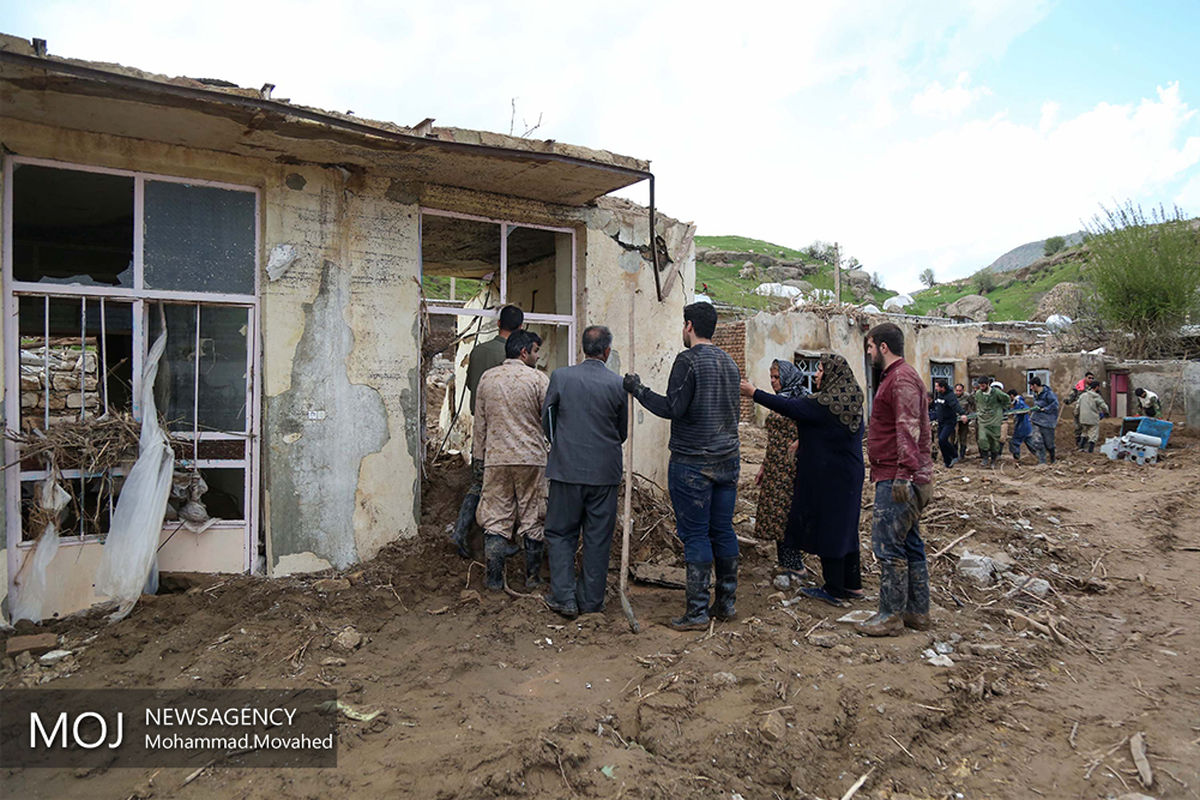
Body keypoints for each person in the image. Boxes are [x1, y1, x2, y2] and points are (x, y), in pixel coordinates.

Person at [624, 302, 741, 630]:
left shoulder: (687, 361)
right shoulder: (730, 363)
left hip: (693, 464)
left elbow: (673, 407)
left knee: (696, 535)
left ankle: (697, 612)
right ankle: (726, 603)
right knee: (723, 529)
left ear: (689, 325)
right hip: (727, 461)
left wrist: (638, 390)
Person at [741, 353, 865, 606]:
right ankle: (853, 586)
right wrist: (804, 440)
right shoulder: (850, 398)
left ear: (832, 375)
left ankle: (834, 589)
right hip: (850, 472)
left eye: (820, 370)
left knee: (831, 529)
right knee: (847, 528)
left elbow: (790, 408)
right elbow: (830, 431)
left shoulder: (824, 402)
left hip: (831, 475)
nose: (816, 375)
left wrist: (754, 393)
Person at [540, 326, 628, 619]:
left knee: (560, 533)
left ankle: (564, 597)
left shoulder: (561, 377)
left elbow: (547, 419)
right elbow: (622, 432)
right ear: (607, 351)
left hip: (566, 470)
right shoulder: (618, 384)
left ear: (583, 349)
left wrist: (561, 446)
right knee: (598, 538)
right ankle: (591, 601)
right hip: (604, 474)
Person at [857, 323, 935, 636]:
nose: (868, 353)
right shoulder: (897, 377)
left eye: (870, 347)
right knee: (910, 543)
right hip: (905, 474)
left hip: (899, 477)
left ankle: (890, 616)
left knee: (888, 546)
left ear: (883, 347)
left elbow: (908, 427)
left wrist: (904, 474)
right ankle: (917, 612)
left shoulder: (900, 379)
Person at [474, 330, 549, 590]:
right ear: (524, 352)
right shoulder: (538, 379)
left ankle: (494, 580)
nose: (537, 357)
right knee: (533, 515)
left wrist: (478, 458)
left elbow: (480, 423)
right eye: (535, 351)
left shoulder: (487, 378)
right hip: (531, 459)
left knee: (495, 517)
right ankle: (532, 578)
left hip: (496, 458)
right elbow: (549, 420)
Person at [451, 305, 525, 558]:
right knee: (507, 487)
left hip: (483, 430)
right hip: (507, 432)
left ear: (498, 324)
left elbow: (472, 387)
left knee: (479, 483)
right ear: (521, 328)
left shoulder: (479, 351)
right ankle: (499, 541)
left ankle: (460, 531)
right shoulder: (515, 358)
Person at [754, 360, 806, 585]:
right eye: (772, 377)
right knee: (775, 515)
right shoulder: (779, 401)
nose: (773, 382)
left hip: (792, 468)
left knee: (787, 515)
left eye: (777, 377)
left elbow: (814, 430)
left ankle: (796, 566)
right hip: (775, 466)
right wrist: (764, 466)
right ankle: (784, 562)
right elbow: (773, 438)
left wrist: (801, 442)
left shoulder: (801, 401)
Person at [973, 376, 1011, 468]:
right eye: (980, 386)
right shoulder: (978, 393)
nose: (981, 387)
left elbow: (1007, 399)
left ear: (987, 384)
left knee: (994, 441)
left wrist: (1002, 408)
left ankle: (993, 460)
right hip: (983, 421)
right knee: (982, 439)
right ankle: (985, 458)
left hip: (995, 421)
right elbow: (978, 403)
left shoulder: (996, 392)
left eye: (983, 386)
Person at [1028, 376, 1060, 465]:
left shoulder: (1048, 394)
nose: (1030, 388)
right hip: (1036, 420)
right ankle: (1042, 462)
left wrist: (1045, 409)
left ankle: (1053, 459)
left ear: (1035, 385)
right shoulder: (1035, 394)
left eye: (1031, 386)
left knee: (1049, 444)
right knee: (1037, 441)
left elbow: (1055, 405)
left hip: (1047, 422)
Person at [932, 380, 963, 468]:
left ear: (943, 387)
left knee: (943, 439)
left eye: (937, 386)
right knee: (941, 442)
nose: (936, 388)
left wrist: (962, 414)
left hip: (949, 421)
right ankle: (947, 462)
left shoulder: (950, 396)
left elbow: (956, 405)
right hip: (941, 421)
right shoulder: (938, 394)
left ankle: (954, 454)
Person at [1077, 379, 1108, 453]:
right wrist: (1106, 412)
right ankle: (1090, 451)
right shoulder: (1096, 396)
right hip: (1093, 418)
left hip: (1083, 418)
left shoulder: (1082, 396)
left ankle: (1081, 448)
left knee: (1084, 433)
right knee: (1093, 435)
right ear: (1097, 387)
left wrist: (1077, 414)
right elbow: (1104, 406)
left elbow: (1077, 407)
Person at [1064, 371, 1094, 446]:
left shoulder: (1093, 387)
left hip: (1089, 410)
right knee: (1078, 426)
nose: (1091, 379)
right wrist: (1068, 401)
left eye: (1092, 378)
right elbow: (1073, 395)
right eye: (1089, 378)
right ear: (1085, 378)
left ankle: (1085, 443)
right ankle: (1078, 442)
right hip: (1079, 409)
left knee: (1087, 427)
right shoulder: (1079, 386)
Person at [1006, 389, 1035, 465]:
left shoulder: (1018, 402)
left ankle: (1016, 459)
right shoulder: (1019, 402)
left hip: (1022, 426)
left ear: (1012, 396)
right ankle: (1041, 456)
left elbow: (1023, 409)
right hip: (1026, 426)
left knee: (1014, 442)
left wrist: (1013, 412)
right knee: (1030, 443)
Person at [954, 383, 973, 461]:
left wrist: (970, 416)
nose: (958, 392)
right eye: (957, 390)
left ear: (963, 390)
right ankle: (954, 455)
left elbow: (973, 405)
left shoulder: (967, 396)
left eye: (960, 391)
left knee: (963, 437)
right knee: (953, 438)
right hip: (954, 420)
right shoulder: (952, 397)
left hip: (964, 419)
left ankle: (962, 455)